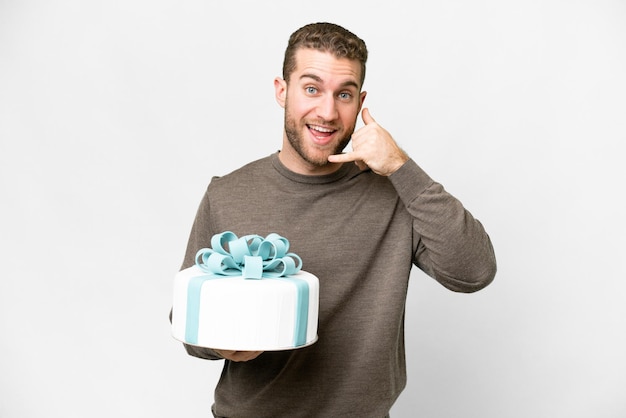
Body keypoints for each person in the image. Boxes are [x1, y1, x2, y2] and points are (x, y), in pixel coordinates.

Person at [175, 22, 497, 418]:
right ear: (282, 91)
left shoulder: (396, 193)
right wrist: (221, 343)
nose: (327, 112)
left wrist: (401, 166)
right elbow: (188, 321)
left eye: (343, 94)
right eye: (311, 89)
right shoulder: (227, 194)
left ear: (360, 101)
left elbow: (474, 272)